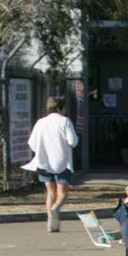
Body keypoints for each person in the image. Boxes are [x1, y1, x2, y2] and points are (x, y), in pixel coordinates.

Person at [22, 96, 79, 233]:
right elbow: (73, 141)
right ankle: (56, 208)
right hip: (62, 162)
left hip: (44, 162)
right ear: (59, 108)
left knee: (50, 193)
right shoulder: (65, 121)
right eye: (64, 108)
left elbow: (32, 143)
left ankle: (51, 223)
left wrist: (41, 150)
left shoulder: (40, 122)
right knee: (63, 193)